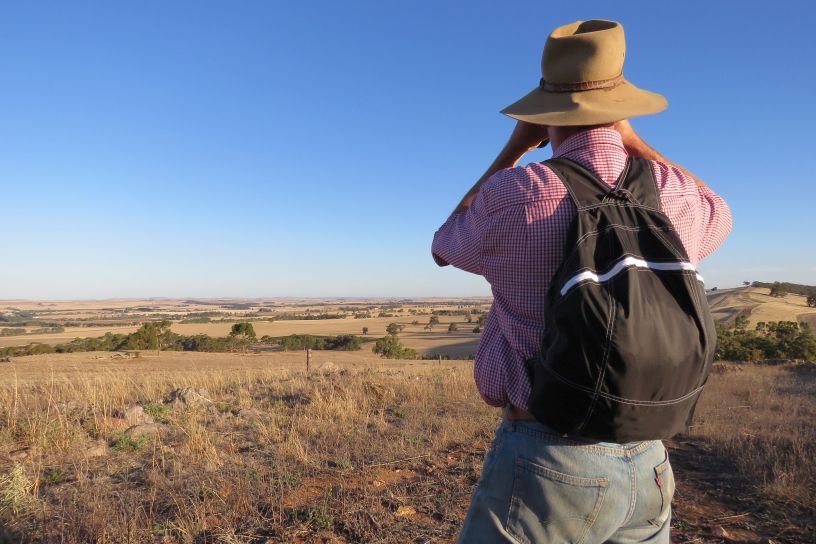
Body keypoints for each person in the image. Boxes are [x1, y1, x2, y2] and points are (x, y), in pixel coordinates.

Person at [431, 20, 732, 544]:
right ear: (621, 105)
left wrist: (513, 150)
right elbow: (719, 209)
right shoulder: (673, 194)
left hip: (545, 456)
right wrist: (636, 144)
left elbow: (445, 242)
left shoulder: (516, 192)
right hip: (650, 460)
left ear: (544, 113)